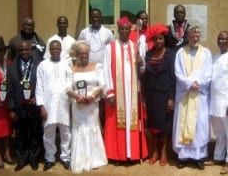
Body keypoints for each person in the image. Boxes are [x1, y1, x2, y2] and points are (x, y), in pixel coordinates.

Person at [103, 16, 148, 162]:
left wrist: (141, 64)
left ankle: (133, 154)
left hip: (133, 93)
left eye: (127, 29)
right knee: (116, 122)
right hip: (117, 93)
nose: (124, 31)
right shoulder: (110, 47)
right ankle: (118, 154)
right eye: (122, 29)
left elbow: (141, 71)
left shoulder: (135, 46)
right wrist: (110, 92)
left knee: (133, 122)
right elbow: (106, 70)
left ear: (130, 31)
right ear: (118, 30)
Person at [172, 25, 212, 170]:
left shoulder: (206, 53)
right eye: (192, 36)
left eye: (197, 36)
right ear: (187, 37)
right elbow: (178, 73)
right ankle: (183, 156)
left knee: (199, 126)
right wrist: (189, 84)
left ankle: (199, 157)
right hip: (185, 95)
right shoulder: (180, 52)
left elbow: (208, 74)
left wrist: (199, 84)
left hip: (199, 96)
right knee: (182, 125)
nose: (195, 38)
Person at [66, 40, 107, 173]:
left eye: (86, 53)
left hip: (91, 104)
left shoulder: (97, 66)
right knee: (80, 129)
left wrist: (93, 96)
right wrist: (77, 97)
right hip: (78, 105)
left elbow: (102, 84)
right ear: (77, 54)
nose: (84, 55)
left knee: (92, 127)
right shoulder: (71, 68)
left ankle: (95, 159)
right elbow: (67, 87)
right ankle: (80, 160)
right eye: (81, 53)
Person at [207, 31, 228, 174]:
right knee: (219, 133)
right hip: (215, 103)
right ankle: (218, 157)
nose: (222, 41)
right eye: (220, 38)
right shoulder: (215, 58)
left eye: (225, 39)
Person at [35, 40, 71, 171]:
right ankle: (49, 158)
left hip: (63, 104)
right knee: (48, 132)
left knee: (65, 132)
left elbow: (70, 83)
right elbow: (39, 87)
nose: (55, 51)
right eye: (52, 49)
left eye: (57, 48)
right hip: (48, 104)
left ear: (61, 49)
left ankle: (65, 157)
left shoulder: (67, 64)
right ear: (49, 50)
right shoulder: (43, 65)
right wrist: (41, 106)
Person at [142, 24, 176, 166]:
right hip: (151, 95)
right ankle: (154, 151)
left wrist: (171, 98)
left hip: (164, 94)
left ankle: (163, 151)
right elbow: (144, 76)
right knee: (153, 125)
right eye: (156, 39)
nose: (158, 42)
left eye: (161, 39)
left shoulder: (170, 55)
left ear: (164, 39)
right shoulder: (148, 54)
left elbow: (173, 78)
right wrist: (143, 96)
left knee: (165, 125)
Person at [6, 40, 42, 171]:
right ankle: (22, 159)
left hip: (34, 106)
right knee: (20, 136)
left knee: (34, 134)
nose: (24, 52)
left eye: (26, 50)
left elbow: (43, 86)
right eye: (21, 50)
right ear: (18, 51)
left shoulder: (39, 65)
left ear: (31, 50)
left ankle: (34, 159)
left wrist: (37, 98)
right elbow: (9, 90)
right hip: (19, 107)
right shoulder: (11, 67)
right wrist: (11, 109)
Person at [0, 37, 13, 169]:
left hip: (7, 102)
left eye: (1, 51)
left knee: (7, 129)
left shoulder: (9, 63)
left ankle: (7, 154)